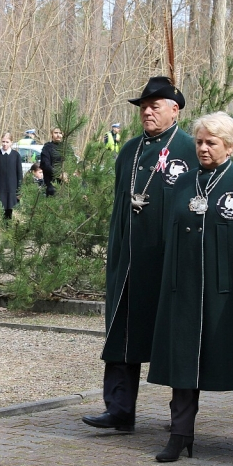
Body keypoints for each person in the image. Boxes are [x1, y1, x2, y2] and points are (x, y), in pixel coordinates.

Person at [147, 112, 233, 462]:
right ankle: (181, 434)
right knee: (185, 362)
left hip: (230, 291)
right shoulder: (183, 182)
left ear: (229, 146)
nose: (203, 148)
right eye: (200, 142)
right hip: (186, 289)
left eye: (211, 143)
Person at [83, 76, 198, 433]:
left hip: (167, 262)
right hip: (129, 260)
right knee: (122, 334)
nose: (147, 112)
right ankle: (118, 410)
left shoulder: (191, 149)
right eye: (143, 107)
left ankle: (181, 418)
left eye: (155, 106)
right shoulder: (130, 150)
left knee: (175, 338)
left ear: (174, 109)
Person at [0, 132, 22, 219]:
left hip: (12, 188)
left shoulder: (16, 155)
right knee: (2, 209)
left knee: (10, 210)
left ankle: (9, 229)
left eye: (7, 142)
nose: (5, 144)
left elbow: (19, 173)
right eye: (3, 142)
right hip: (1, 187)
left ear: (11, 142)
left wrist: (19, 189)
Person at [40, 127, 66, 197]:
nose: (58, 135)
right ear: (52, 134)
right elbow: (45, 165)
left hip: (66, 183)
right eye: (56, 133)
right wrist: (59, 174)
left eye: (60, 133)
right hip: (51, 184)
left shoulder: (67, 148)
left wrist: (67, 174)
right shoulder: (47, 148)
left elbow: (72, 161)